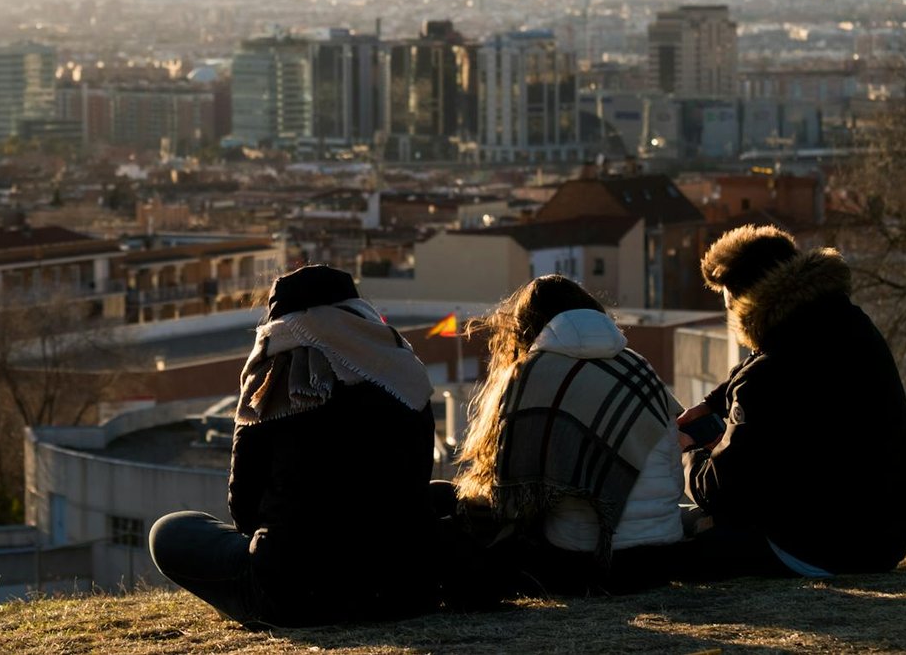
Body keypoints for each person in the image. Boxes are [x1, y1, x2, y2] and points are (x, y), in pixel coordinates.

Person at [148, 264, 440, 627]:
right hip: (402, 590)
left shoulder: (273, 380)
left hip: (298, 596)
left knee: (171, 531)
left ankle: (247, 604)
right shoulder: (403, 371)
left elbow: (244, 511)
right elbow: (415, 483)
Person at [675, 224, 906, 577]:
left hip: (820, 548)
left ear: (744, 302)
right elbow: (774, 354)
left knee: (668, 548)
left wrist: (687, 454)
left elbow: (721, 491)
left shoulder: (768, 376)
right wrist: (716, 402)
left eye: (729, 306)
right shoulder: (850, 324)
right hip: (884, 540)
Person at [438, 275, 683, 602]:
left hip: (585, 566)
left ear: (525, 325)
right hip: (663, 558)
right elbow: (674, 478)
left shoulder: (532, 374)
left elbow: (510, 500)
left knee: (442, 502)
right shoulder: (640, 368)